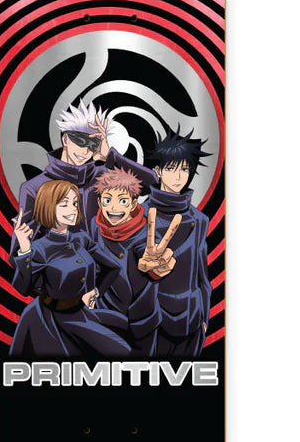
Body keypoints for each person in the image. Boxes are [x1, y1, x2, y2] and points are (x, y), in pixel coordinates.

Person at [9, 99, 157, 262]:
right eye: (80, 141)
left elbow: (152, 184)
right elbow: (20, 250)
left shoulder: (103, 176)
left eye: (93, 144)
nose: (86, 151)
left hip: (109, 267)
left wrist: (110, 156)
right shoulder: (35, 187)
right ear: (66, 139)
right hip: (64, 270)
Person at [9, 179, 130, 358]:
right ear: (48, 207)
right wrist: (25, 249)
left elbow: (112, 267)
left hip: (82, 313)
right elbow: (22, 287)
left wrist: (95, 291)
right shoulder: (39, 248)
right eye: (64, 204)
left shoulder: (81, 239)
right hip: (49, 321)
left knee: (124, 335)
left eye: (74, 203)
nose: (73, 209)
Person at [90, 167, 179, 357]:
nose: (114, 208)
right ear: (99, 202)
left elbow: (151, 260)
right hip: (104, 318)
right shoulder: (93, 227)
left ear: (133, 203)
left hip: (141, 323)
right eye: (107, 201)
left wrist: (156, 267)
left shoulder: (147, 233)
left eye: (122, 201)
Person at [143, 128, 213, 358]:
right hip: (152, 319)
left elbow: (202, 276)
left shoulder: (199, 220)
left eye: (184, 169)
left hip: (191, 319)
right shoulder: (140, 215)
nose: (179, 176)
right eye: (171, 168)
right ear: (158, 171)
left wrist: (204, 317)